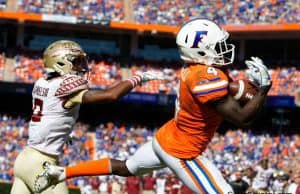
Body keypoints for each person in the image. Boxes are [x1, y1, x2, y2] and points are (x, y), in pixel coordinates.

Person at [34, 18, 272, 193]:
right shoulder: (204, 76)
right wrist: (263, 89)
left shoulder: (197, 70)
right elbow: (243, 118)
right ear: (200, 50)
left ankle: (62, 172)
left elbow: (229, 90)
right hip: (182, 152)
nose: (224, 49)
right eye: (217, 45)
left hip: (165, 139)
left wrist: (244, 89)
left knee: (126, 167)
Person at [10, 40, 162, 194]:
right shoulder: (64, 86)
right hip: (42, 163)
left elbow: (51, 113)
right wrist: (137, 78)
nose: (81, 65)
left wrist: (62, 132)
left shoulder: (41, 82)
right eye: (76, 61)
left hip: (24, 159)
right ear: (61, 63)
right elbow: (111, 95)